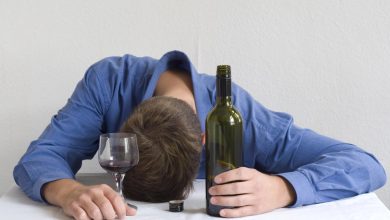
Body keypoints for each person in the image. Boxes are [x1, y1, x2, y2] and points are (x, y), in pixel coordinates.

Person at [14, 50, 386, 219]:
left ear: (205, 141)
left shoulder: (241, 117)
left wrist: (284, 188)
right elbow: (42, 156)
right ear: (126, 124)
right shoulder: (108, 82)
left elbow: (365, 165)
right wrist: (69, 191)